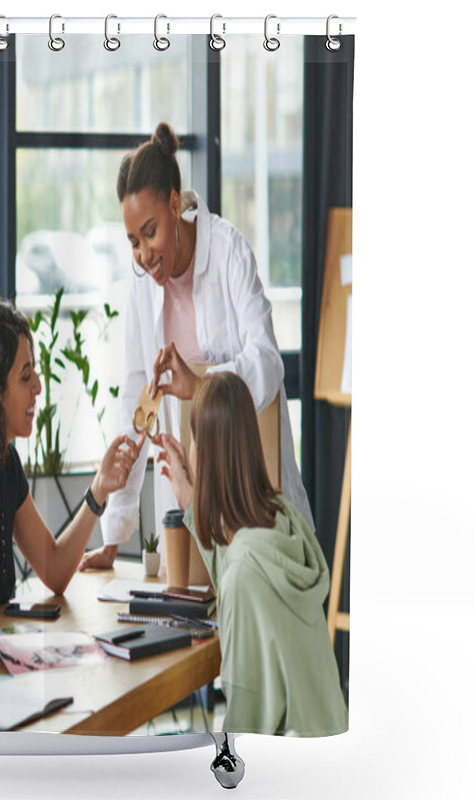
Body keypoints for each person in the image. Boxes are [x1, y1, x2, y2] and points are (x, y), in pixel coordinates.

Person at [80, 121, 313, 571]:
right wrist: (114, 533)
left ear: (174, 204)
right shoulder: (143, 287)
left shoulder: (228, 251)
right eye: (133, 242)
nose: (144, 254)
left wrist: (200, 382)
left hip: (252, 489)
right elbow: (136, 396)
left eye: (150, 232)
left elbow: (267, 361)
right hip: (188, 499)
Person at [0, 295, 142, 630]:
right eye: (25, 376)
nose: (38, 386)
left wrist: (98, 491)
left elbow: (53, 569)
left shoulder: (5, 465)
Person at [154, 372, 348, 735]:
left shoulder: (244, 571)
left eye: (193, 439)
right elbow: (237, 560)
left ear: (204, 454)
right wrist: (190, 501)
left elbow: (245, 718)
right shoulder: (283, 520)